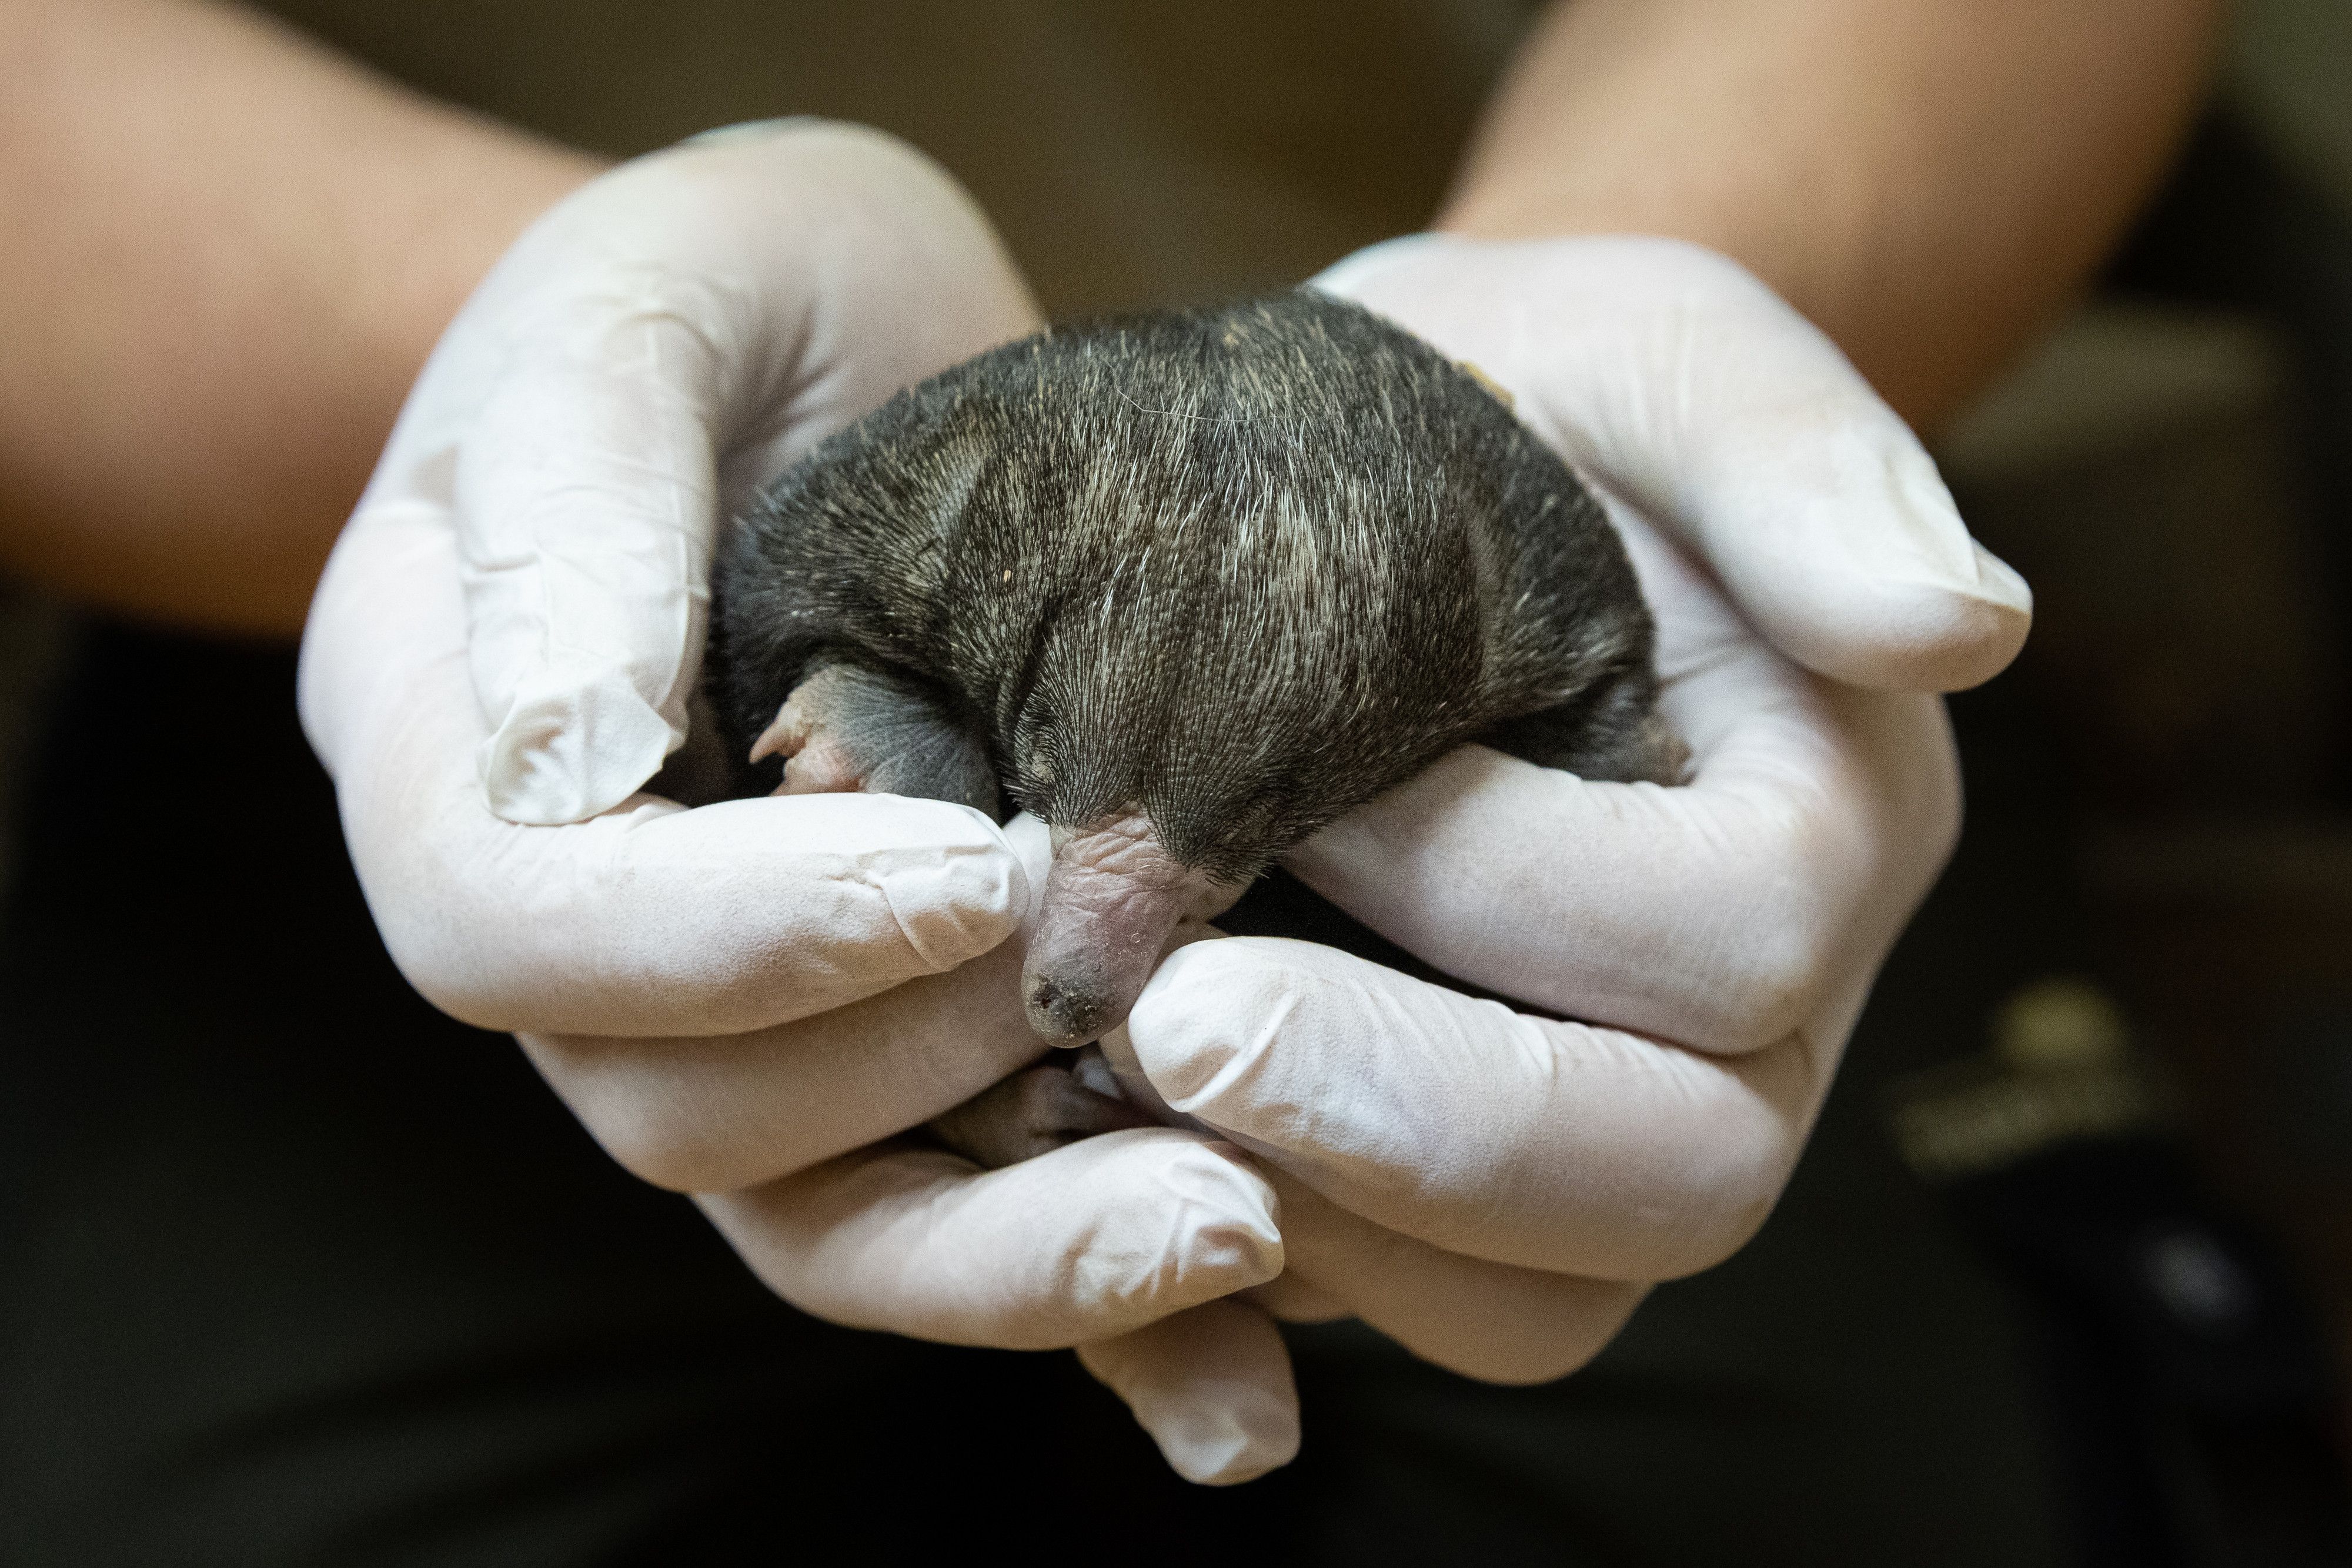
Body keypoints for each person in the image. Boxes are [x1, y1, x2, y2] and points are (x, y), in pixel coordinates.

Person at [0, 1, 2221, 1560]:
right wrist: (541, 384)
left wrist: (1690, 312)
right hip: (343, 591)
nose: (1094, 962)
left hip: (1596, 533)